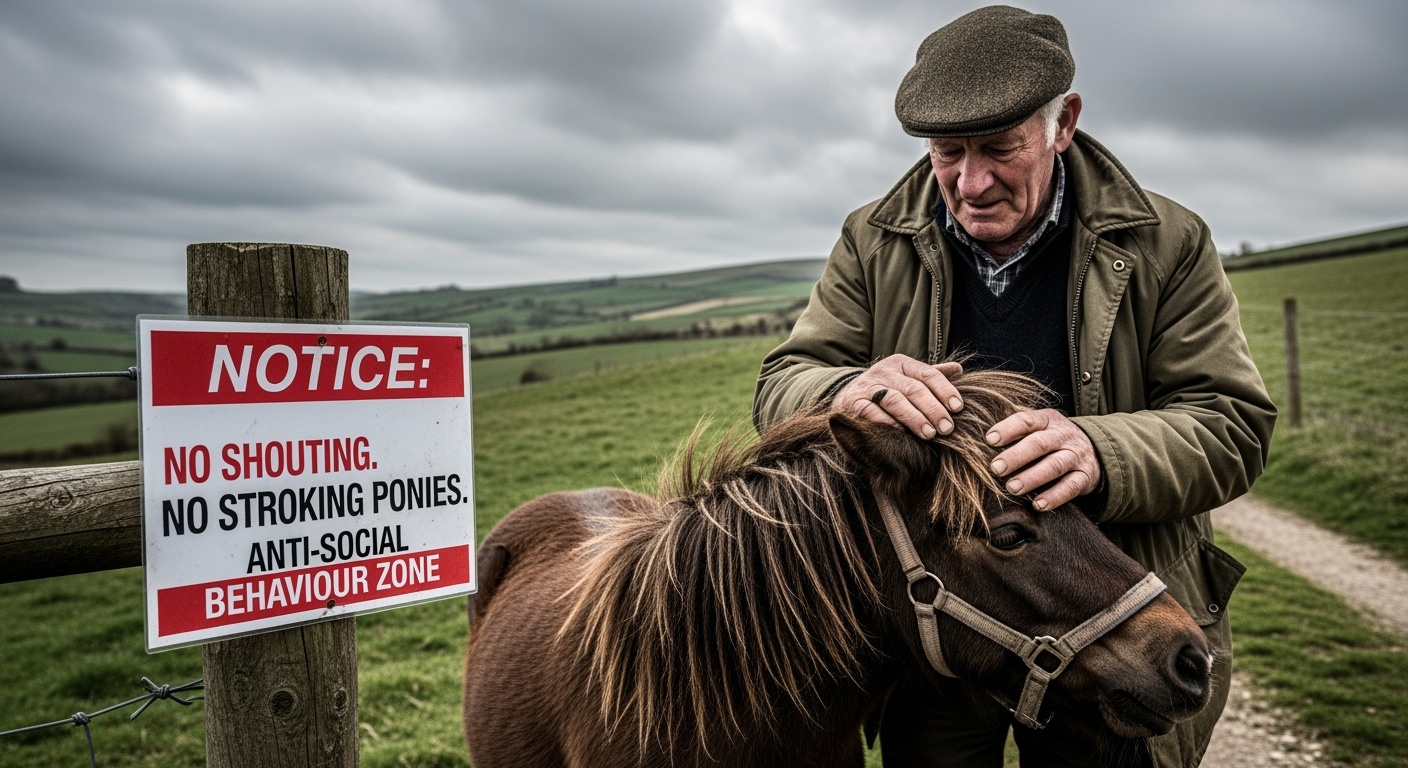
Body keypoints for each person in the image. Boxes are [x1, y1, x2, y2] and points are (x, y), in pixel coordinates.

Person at [752, 6, 1276, 767]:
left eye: (1000, 148)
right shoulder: (872, 240)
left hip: (1108, 619)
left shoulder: (1168, 241)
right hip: (943, 637)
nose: (971, 182)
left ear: (1063, 124)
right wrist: (848, 391)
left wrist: (1103, 452)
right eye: (946, 152)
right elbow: (781, 383)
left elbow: (1232, 424)